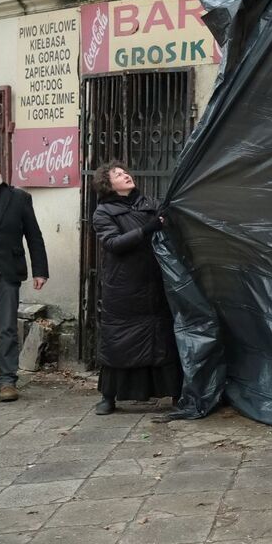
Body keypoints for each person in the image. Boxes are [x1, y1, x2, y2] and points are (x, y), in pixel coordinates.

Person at [90, 161, 182, 415]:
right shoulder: (104, 212)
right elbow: (113, 243)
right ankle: (109, 396)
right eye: (118, 174)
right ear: (108, 185)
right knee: (119, 339)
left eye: (126, 172)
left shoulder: (150, 204)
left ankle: (175, 393)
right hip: (123, 286)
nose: (126, 175)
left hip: (154, 281)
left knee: (162, 337)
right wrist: (146, 230)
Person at [0, 154, 48, 403]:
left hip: (7, 271)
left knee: (8, 329)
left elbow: (34, 235)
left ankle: (7, 381)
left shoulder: (19, 198)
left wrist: (40, 270)